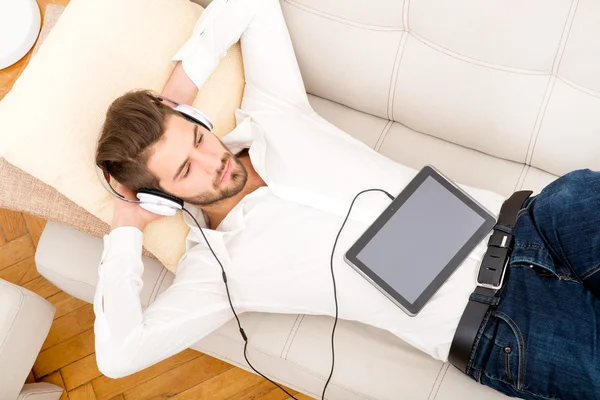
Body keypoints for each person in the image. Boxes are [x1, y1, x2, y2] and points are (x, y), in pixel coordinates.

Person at [93, 0, 600, 398]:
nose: (214, 161)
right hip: (503, 325)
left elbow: (254, 3)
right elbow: (118, 355)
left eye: (198, 139)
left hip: (533, 221)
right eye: (184, 170)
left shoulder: (273, 113)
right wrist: (126, 228)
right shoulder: (217, 271)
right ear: (161, 198)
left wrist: (178, 90)